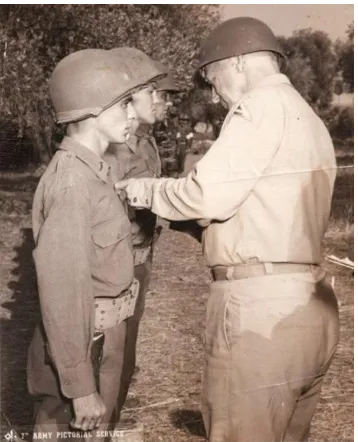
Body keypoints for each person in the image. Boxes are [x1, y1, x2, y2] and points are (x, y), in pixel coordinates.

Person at [115, 17, 340, 442]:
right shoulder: (307, 118)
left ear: (237, 62)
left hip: (260, 314)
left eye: (211, 78)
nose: (214, 95)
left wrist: (144, 190)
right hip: (310, 304)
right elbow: (267, 210)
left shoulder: (258, 106)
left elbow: (205, 195)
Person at [27, 48, 162, 441]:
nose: (134, 114)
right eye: (124, 104)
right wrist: (80, 385)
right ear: (89, 110)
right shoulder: (73, 183)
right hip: (83, 344)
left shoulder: (95, 172)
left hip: (103, 336)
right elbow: (63, 292)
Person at [104, 50, 180, 417]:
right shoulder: (115, 147)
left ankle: (114, 408)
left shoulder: (145, 141)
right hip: (120, 260)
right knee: (111, 348)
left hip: (141, 255)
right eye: (156, 93)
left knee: (128, 342)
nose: (162, 101)